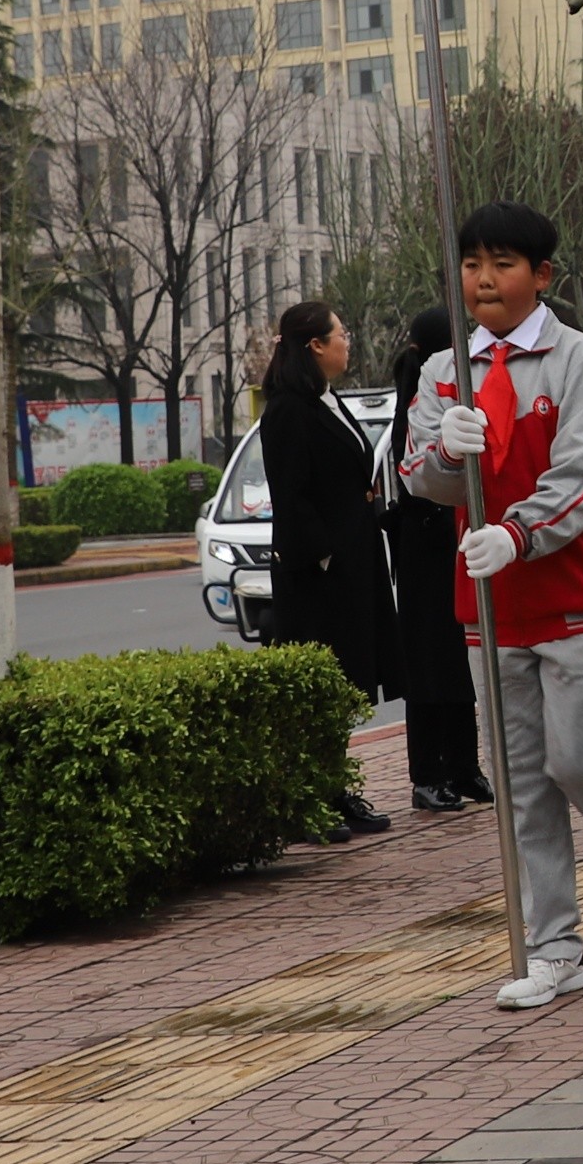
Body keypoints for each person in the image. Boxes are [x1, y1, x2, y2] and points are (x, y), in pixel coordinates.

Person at [400, 204, 583, 1008]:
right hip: (489, 602)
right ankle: (555, 947)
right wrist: (444, 455)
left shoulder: (580, 360)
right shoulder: (442, 371)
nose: (484, 279)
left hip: (578, 588)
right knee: (521, 779)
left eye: (503, 263)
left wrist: (519, 536)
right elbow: (422, 475)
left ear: (541, 275)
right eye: (471, 264)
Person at [257, 300, 397, 837]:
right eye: (341, 333)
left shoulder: (326, 400)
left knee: (345, 685)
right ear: (314, 344)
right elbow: (291, 494)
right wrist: (325, 554)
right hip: (319, 576)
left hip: (353, 563)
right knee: (322, 688)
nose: (348, 341)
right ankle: (311, 801)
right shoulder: (289, 409)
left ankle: (334, 792)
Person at [376, 308, 490, 811]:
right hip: (424, 546)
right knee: (428, 664)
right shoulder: (418, 395)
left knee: (459, 660)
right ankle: (428, 773)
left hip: (452, 540)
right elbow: (416, 470)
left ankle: (464, 766)